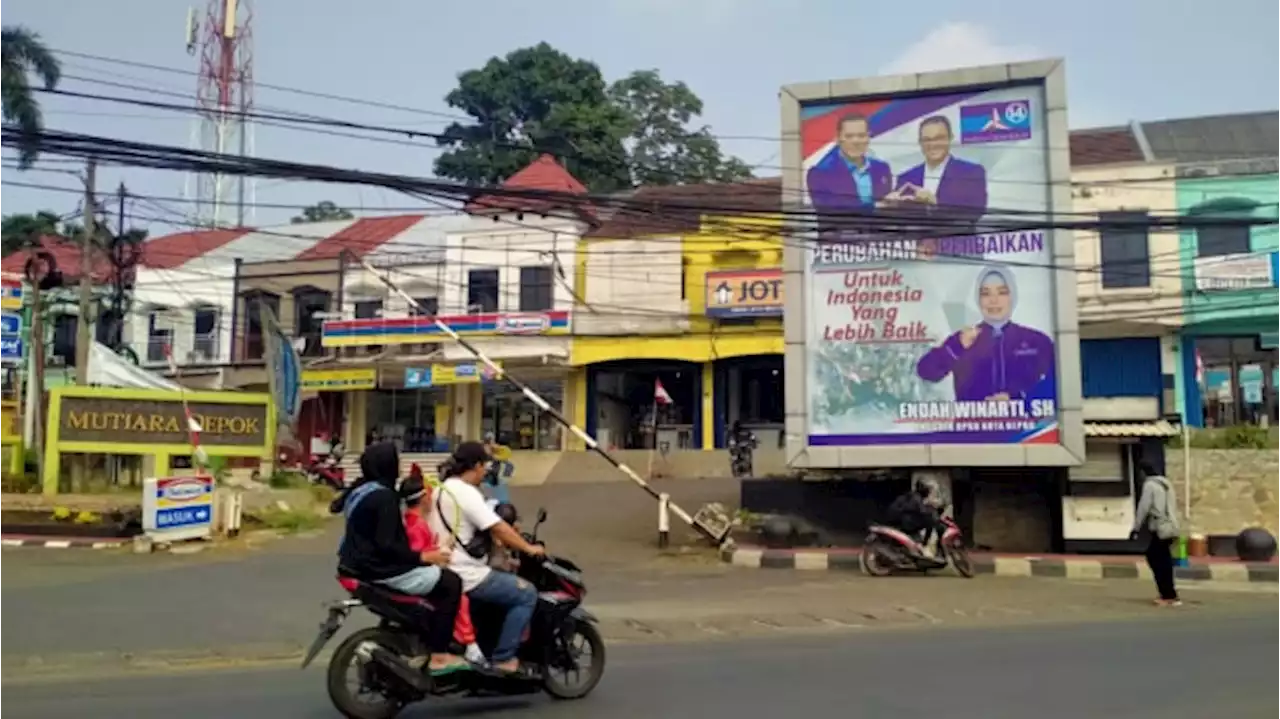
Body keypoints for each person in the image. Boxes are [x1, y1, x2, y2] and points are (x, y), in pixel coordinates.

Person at [332, 442, 469, 675]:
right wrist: (425, 556)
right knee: (450, 583)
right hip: (377, 569)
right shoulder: (384, 497)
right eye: (398, 461)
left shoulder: (361, 491)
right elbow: (389, 546)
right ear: (388, 465)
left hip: (354, 566)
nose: (401, 465)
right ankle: (439, 655)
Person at [429, 441, 546, 674]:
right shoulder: (466, 492)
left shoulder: (441, 490)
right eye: (484, 466)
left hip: (443, 569)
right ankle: (504, 658)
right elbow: (498, 527)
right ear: (475, 466)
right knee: (526, 593)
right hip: (467, 573)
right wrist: (529, 548)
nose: (485, 472)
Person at [915, 264, 1055, 402]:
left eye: (1002, 292)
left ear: (1013, 296)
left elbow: (1057, 384)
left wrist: (1018, 398)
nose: (993, 300)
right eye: (986, 293)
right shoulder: (964, 340)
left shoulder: (1036, 341)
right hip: (972, 424)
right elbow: (926, 371)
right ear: (978, 299)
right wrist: (956, 346)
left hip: (1024, 424)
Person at [399, 475, 485, 665]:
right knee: (459, 594)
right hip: (423, 576)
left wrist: (442, 547)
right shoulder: (417, 526)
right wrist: (441, 552)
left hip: (423, 572)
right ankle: (470, 645)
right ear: (424, 499)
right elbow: (421, 556)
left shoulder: (414, 522)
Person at [888, 115, 988, 223]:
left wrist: (936, 203)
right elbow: (900, 221)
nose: (933, 144)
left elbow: (975, 213)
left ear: (950, 138)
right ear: (920, 143)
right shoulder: (906, 179)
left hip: (955, 239)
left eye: (939, 138)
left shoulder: (971, 173)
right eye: (927, 140)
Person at [806, 113, 894, 220]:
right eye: (849, 136)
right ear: (838, 139)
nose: (855, 141)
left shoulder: (882, 168)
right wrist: (875, 207)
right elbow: (831, 213)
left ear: (868, 137)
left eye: (861, 135)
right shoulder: (820, 173)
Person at [1130, 462, 1181, 607]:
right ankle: (1170, 594)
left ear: (1143, 473)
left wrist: (1136, 528)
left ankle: (1167, 595)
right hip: (1172, 526)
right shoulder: (1167, 484)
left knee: (1156, 559)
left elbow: (1143, 507)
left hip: (1160, 528)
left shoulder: (1149, 485)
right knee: (1164, 560)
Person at [887, 478, 944, 558]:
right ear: (925, 490)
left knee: (930, 521)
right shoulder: (916, 498)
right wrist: (933, 508)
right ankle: (925, 544)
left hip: (907, 521)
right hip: (907, 523)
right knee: (930, 522)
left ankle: (923, 544)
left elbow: (921, 509)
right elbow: (923, 511)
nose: (930, 492)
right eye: (929, 490)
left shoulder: (916, 496)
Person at [482, 432, 513, 505]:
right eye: (489, 440)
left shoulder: (502, 449)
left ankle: (502, 505)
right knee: (490, 490)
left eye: (491, 440)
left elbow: (498, 454)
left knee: (499, 489)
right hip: (490, 474)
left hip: (497, 473)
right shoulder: (486, 448)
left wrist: (492, 451)